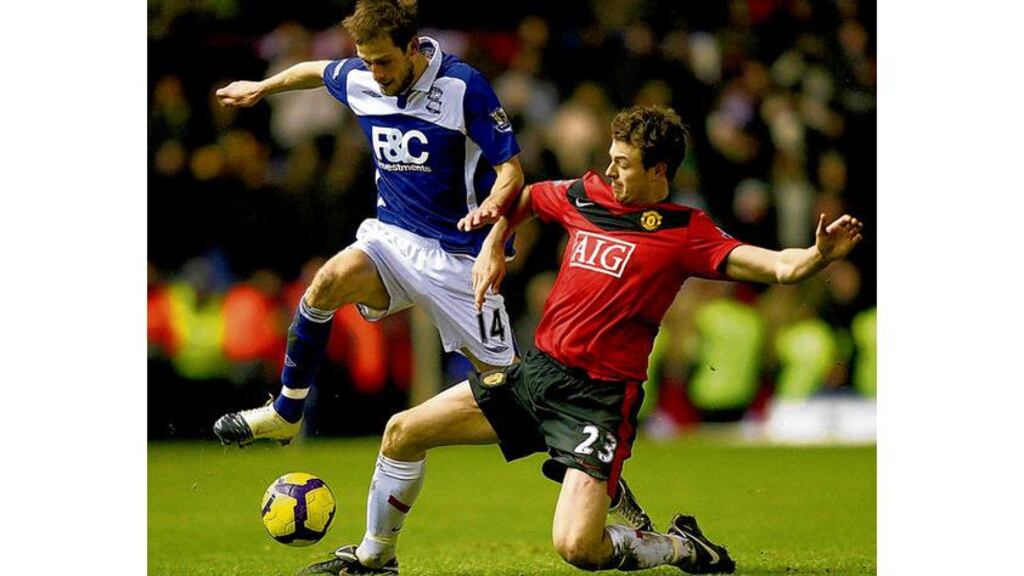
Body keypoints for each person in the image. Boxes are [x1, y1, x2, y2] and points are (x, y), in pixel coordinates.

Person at [296, 105, 863, 575]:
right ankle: (375, 558)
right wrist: (497, 240)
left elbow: (778, 267)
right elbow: (529, 197)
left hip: (598, 401)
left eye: (623, 164)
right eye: (610, 160)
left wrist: (817, 256)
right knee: (402, 432)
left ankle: (679, 546)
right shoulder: (587, 194)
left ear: (659, 171)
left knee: (578, 549)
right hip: (535, 374)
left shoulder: (686, 233)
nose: (610, 172)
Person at [211, 0, 655, 534]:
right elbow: (313, 71)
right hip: (392, 240)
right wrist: (262, 85)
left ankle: (600, 479)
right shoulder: (362, 78)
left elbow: (510, 170)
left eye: (384, 62)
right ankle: (285, 412)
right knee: (326, 283)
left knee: (517, 399)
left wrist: (495, 207)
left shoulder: (463, 88)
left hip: (457, 261)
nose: (374, 74)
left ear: (413, 49)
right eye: (366, 62)